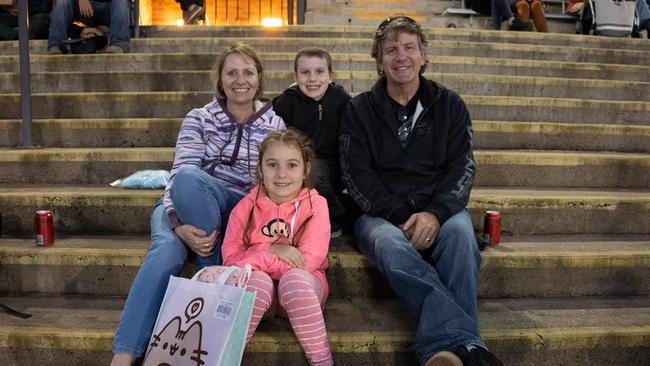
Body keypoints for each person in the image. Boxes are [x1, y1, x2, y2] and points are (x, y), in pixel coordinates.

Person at [339, 16, 504, 366]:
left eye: (409, 47)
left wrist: (435, 213)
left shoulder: (450, 104)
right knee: (388, 244)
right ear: (379, 61)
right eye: (391, 50)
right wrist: (401, 216)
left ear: (423, 55)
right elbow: (355, 175)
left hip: (439, 208)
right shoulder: (359, 109)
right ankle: (469, 345)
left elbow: (463, 167)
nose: (401, 56)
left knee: (461, 235)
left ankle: (442, 352)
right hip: (380, 215)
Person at [110, 43, 286, 366]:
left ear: (259, 79)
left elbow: (270, 188)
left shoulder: (274, 125)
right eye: (231, 72)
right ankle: (124, 356)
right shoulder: (199, 118)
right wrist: (178, 224)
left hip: (236, 211)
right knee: (167, 248)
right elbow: (178, 177)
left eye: (248, 72)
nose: (240, 80)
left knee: (200, 190)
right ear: (220, 80)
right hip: (180, 204)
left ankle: (205, 308)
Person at [222, 129, 334, 366]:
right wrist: (271, 250)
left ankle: (322, 361)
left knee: (294, 278)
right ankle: (223, 358)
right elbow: (230, 261)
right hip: (264, 296)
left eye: (292, 165)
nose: (281, 174)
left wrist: (255, 257)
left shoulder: (317, 205)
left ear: (306, 170)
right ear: (261, 170)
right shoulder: (245, 207)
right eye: (272, 165)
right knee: (257, 282)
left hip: (303, 290)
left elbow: (308, 261)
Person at [272, 47, 351, 238]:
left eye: (319, 71)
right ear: (296, 76)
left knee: (318, 172)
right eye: (305, 72)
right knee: (306, 170)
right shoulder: (286, 102)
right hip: (301, 161)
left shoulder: (342, 100)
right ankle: (324, 216)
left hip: (335, 164)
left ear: (331, 75)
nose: (312, 78)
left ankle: (336, 214)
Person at [47, 0, 130, 54]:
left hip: (107, 6)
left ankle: (119, 44)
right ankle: (56, 44)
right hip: (80, 8)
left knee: (121, 1)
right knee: (63, 1)